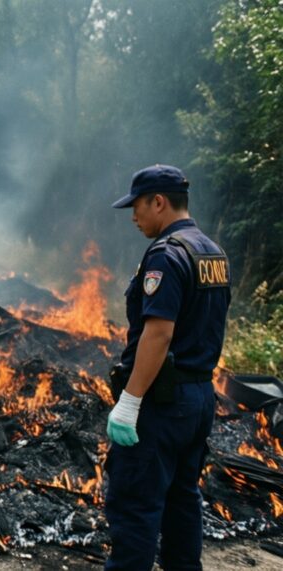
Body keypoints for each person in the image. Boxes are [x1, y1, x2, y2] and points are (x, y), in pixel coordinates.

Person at [104, 164, 231, 570]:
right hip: (198, 399)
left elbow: (158, 334)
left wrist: (130, 401)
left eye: (138, 206)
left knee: (136, 509)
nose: (134, 216)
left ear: (159, 201)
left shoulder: (166, 255)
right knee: (182, 503)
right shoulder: (211, 252)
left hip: (162, 405)